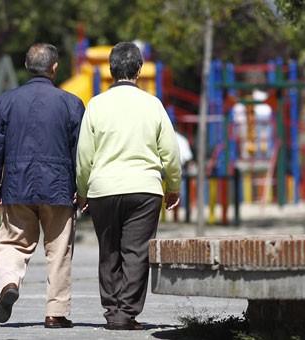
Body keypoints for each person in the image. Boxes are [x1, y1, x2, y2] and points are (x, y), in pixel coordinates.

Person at [75, 42, 181, 331]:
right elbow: (170, 152)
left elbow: (84, 154)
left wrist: (82, 190)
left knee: (108, 250)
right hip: (144, 189)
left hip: (103, 188)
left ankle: (112, 311)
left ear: (110, 71)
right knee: (136, 252)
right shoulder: (153, 104)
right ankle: (127, 314)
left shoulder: (95, 105)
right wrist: (173, 185)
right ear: (138, 69)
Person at [0, 43, 85, 329]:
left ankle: (10, 283)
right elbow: (81, 151)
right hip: (59, 188)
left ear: (27, 67)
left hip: (17, 184)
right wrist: (81, 187)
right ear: (54, 68)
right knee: (59, 250)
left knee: (12, 242)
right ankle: (56, 312)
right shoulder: (71, 102)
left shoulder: (6, 101)